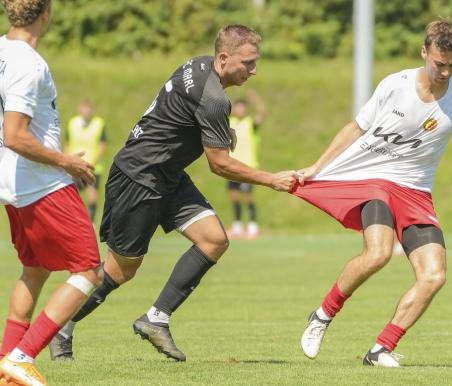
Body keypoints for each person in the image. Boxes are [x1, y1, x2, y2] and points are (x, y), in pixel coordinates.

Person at [292, 18, 452, 368]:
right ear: (424, 52)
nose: (444, 72)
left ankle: (380, 349)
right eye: (439, 64)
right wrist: (317, 168)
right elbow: (355, 128)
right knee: (379, 253)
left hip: (416, 192)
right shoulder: (394, 86)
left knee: (434, 275)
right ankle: (322, 315)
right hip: (376, 179)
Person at [48, 24, 298, 362]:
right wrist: (272, 179)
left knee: (213, 239)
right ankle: (60, 327)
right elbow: (220, 164)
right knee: (120, 270)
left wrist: (219, 134)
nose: (254, 70)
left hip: (167, 175)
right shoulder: (215, 99)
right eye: (248, 63)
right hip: (139, 177)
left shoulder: (196, 65)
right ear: (224, 58)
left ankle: (156, 318)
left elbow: (184, 119)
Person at [0, 0, 101, 384]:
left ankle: (6, 364)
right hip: (41, 182)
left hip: (13, 183)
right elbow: (15, 135)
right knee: (89, 270)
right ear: (46, 14)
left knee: (35, 269)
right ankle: (22, 356)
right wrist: (66, 162)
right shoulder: (29, 62)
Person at [227, 89, 267, 239]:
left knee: (248, 196)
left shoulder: (250, 123)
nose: (240, 110)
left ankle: (252, 226)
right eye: (238, 107)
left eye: (243, 107)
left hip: (247, 166)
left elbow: (262, 114)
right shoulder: (230, 122)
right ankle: (237, 226)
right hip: (232, 165)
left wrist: (256, 99)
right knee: (234, 196)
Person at [64, 98, 108, 223]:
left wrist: (92, 162)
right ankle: (71, 222)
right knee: (71, 195)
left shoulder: (99, 123)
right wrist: (68, 160)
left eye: (89, 109)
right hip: (74, 166)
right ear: (80, 109)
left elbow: (103, 145)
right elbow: (67, 143)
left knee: (92, 196)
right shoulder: (72, 123)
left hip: (93, 167)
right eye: (85, 108)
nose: (87, 111)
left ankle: (91, 223)